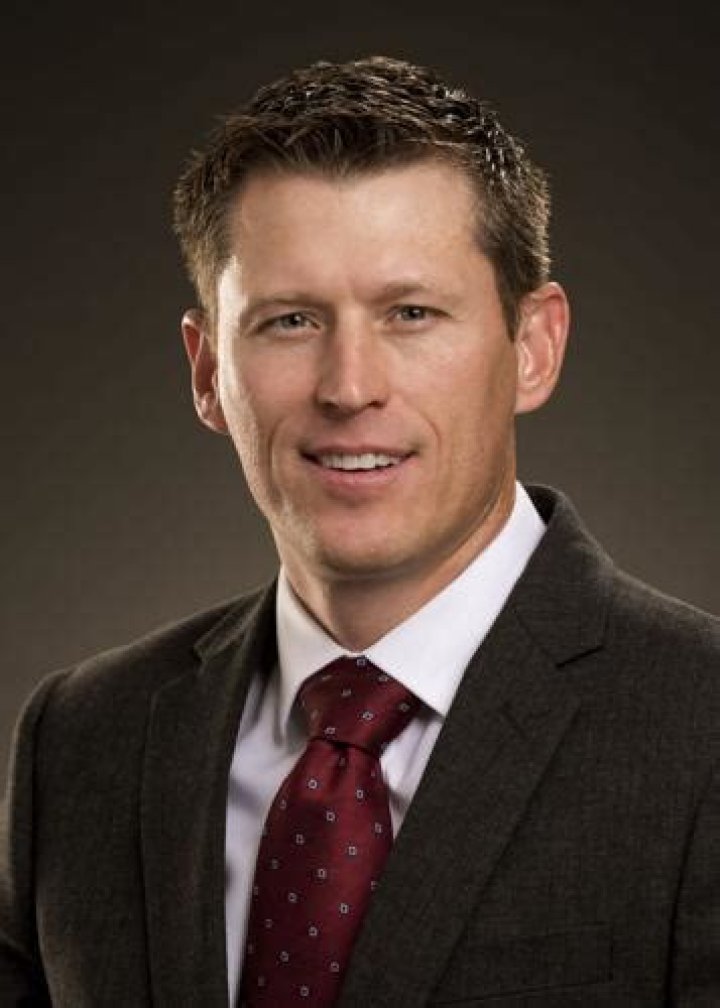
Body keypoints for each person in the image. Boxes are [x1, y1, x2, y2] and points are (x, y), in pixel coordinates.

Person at [1, 55, 718, 1008]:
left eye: (411, 314)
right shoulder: (83, 739)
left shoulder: (701, 726)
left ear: (534, 347)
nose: (349, 387)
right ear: (208, 371)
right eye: (291, 321)